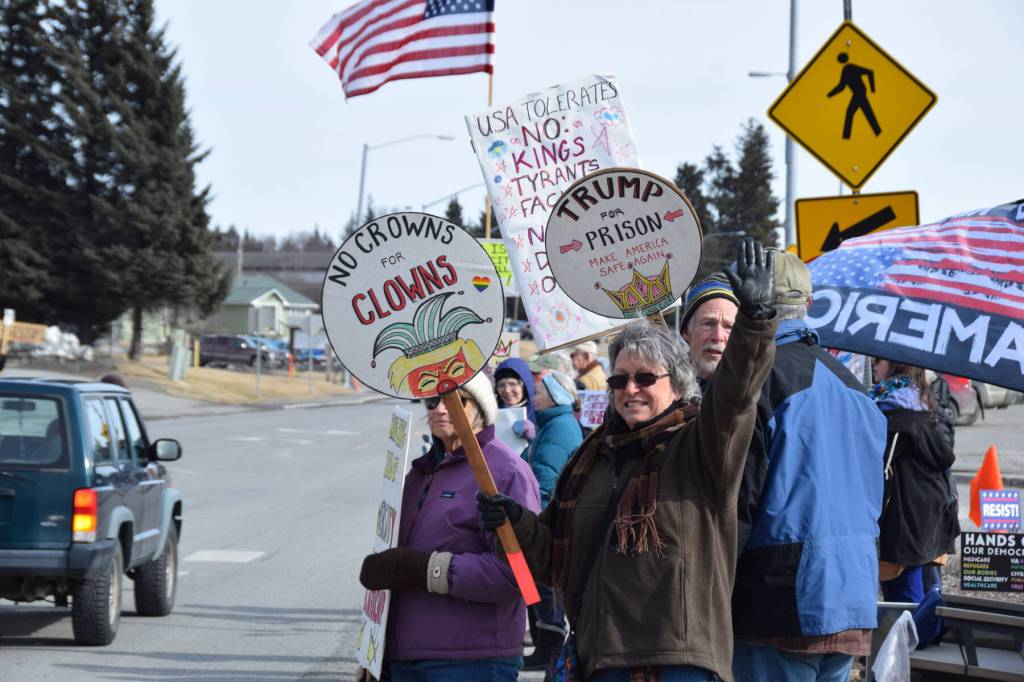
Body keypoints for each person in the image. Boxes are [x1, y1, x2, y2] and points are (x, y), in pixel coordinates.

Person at [477, 238, 779, 681]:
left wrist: (754, 324)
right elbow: (552, 561)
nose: (629, 388)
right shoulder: (593, 456)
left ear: (676, 385)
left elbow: (735, 398)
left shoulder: (701, 445)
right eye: (619, 378)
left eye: (644, 378)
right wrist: (516, 520)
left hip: (678, 663)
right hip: (600, 658)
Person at [730, 250, 887, 682]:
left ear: (745, 303)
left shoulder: (756, 380)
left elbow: (739, 499)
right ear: (809, 306)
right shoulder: (854, 386)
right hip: (851, 593)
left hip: (780, 599)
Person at [358, 372, 541, 681]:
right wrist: (374, 652)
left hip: (473, 659)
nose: (441, 409)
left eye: (457, 400)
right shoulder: (417, 475)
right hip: (406, 656)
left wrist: (429, 569)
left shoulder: (506, 472)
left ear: (481, 410)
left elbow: (522, 576)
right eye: (433, 400)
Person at [871, 359, 960, 603]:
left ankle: (916, 638)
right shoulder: (924, 404)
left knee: (905, 603)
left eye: (879, 360)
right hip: (929, 514)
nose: (873, 364)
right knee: (926, 594)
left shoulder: (892, 415)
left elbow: (879, 473)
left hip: (903, 520)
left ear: (896, 365)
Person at [520, 370, 583, 673]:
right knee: (531, 584)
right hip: (540, 516)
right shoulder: (551, 423)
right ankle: (542, 646)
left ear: (555, 396)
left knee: (543, 588)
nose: (535, 395)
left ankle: (548, 647)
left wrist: (533, 522)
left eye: (541, 391)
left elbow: (545, 477)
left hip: (543, 519)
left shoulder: (559, 427)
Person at [679, 272, 739, 389]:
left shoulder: (751, 391)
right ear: (686, 331)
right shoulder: (662, 386)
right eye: (708, 324)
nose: (718, 336)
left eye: (729, 327)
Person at [494, 357, 538, 444]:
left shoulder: (539, 414)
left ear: (524, 386)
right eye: (501, 385)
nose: (506, 390)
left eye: (512, 384)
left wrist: (534, 437)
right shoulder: (491, 415)